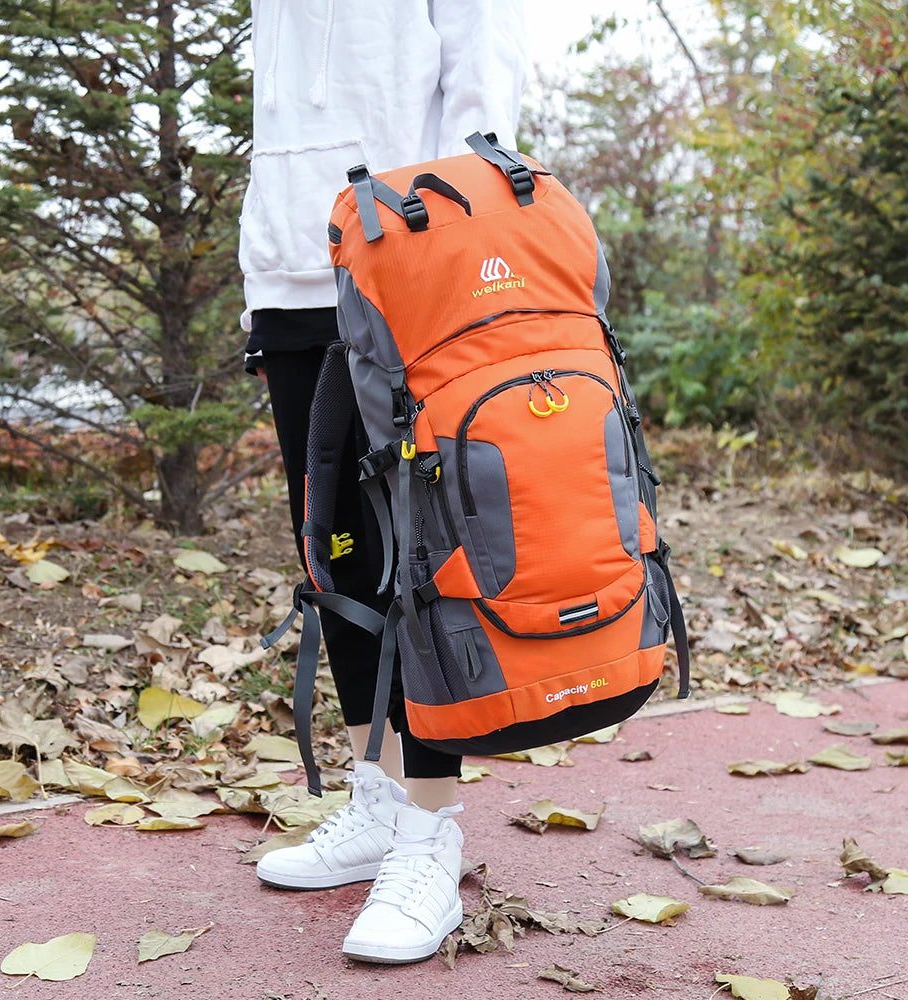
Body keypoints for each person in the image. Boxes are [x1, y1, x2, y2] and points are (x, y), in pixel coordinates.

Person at [238, 0, 526, 965]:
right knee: (338, 558)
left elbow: (483, 89)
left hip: (402, 262)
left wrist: (447, 248)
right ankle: (379, 793)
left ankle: (430, 833)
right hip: (286, 266)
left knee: (417, 562)